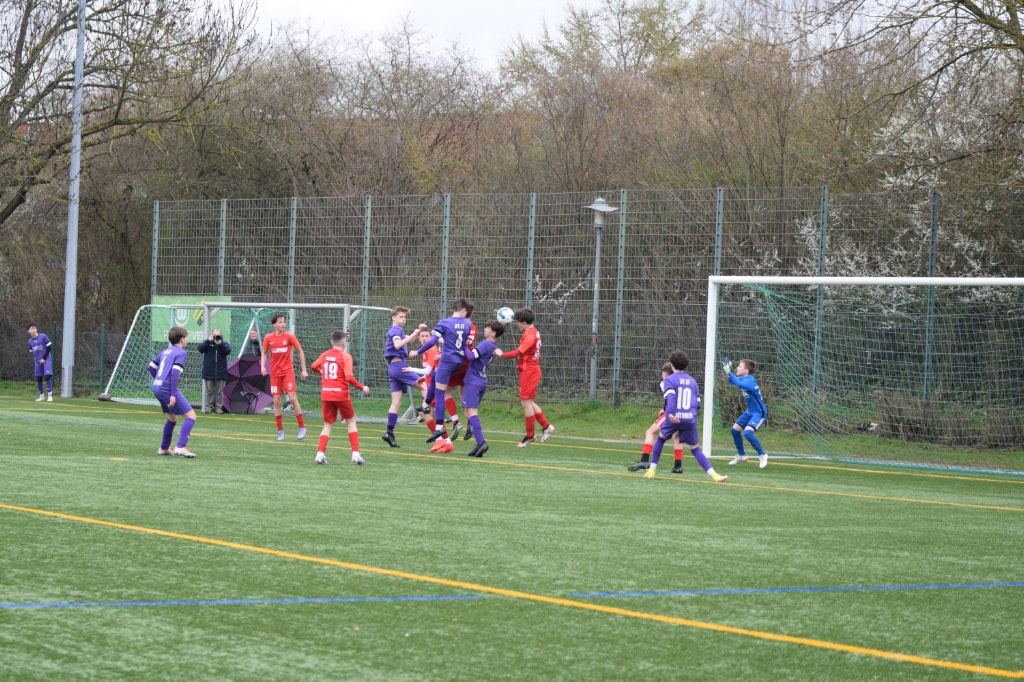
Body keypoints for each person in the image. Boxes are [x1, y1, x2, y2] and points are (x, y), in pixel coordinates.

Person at [643, 350, 727, 483]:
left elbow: (670, 398)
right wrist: (691, 416)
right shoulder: (693, 381)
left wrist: (670, 414)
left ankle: (652, 470)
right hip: (689, 418)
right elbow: (698, 404)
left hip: (674, 417)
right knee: (695, 449)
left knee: (661, 439)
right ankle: (715, 475)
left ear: (671, 364)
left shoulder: (669, 380)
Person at [415, 298, 473, 447]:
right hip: (459, 362)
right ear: (463, 310)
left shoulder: (445, 322)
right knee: (435, 375)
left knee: (440, 393)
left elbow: (432, 341)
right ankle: (426, 404)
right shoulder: (467, 324)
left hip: (447, 361)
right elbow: (462, 343)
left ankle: (439, 426)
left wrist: (417, 352)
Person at [310, 330, 370, 465]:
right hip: (341, 394)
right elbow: (348, 377)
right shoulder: (346, 357)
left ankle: (320, 454)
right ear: (344, 343)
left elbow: (313, 366)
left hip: (326, 394)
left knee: (327, 425)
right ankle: (355, 454)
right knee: (351, 422)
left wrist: (321, 371)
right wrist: (362, 387)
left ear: (331, 341)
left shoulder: (325, 355)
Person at [497, 308, 554, 447]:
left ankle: (530, 435)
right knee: (528, 401)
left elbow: (517, 352)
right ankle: (546, 426)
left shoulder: (530, 336)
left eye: (518, 322)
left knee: (525, 403)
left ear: (523, 322)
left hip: (530, 371)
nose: (517, 325)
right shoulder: (532, 331)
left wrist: (501, 354)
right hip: (528, 370)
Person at [147, 326, 198, 458]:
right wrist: (173, 394)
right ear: (182, 339)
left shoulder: (165, 351)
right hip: (167, 388)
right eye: (186, 337)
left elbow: (150, 367)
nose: (187, 340)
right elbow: (175, 373)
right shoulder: (181, 352)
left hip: (157, 386)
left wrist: (159, 379)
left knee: (172, 417)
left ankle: (164, 448)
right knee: (191, 416)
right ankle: (180, 446)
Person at [382, 306, 428, 447]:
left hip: (393, 368)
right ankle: (425, 409)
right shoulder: (396, 330)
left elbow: (410, 341)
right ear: (393, 317)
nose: (403, 319)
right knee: (424, 385)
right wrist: (414, 333)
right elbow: (397, 345)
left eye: (404, 317)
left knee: (396, 402)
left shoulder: (397, 331)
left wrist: (418, 331)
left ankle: (389, 432)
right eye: (401, 317)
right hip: (399, 367)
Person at [260, 312, 308, 441]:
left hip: (287, 372)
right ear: (274, 324)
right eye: (280, 322)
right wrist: (263, 366)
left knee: (292, 398)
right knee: (276, 401)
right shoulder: (268, 338)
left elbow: (300, 351)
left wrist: (304, 370)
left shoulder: (290, 336)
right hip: (275, 374)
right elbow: (264, 352)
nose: (283, 324)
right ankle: (280, 432)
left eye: (284, 322)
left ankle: (302, 428)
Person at [627, 363, 684, 472]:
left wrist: (665, 409)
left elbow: (670, 399)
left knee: (650, 432)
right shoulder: (681, 382)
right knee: (677, 436)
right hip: (682, 413)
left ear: (665, 374)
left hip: (671, 413)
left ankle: (644, 460)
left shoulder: (665, 383)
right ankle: (678, 466)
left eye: (662, 374)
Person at [461, 320, 504, 457]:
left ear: (493, 333)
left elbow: (471, 356)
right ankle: (478, 441)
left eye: (487, 328)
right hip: (480, 380)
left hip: (474, 381)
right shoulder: (493, 345)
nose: (484, 329)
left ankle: (481, 443)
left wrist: (462, 344)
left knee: (472, 412)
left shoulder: (486, 343)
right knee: (467, 411)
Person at [723, 357, 769, 468]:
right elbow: (733, 380)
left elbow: (738, 383)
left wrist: (729, 372)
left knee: (748, 433)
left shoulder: (750, 381)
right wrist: (729, 371)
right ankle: (741, 455)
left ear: (746, 370)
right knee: (734, 431)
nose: (737, 368)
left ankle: (762, 455)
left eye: (740, 366)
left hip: (759, 412)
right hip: (750, 411)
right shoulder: (744, 379)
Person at [197, 328, 231, 413]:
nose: (216, 337)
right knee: (209, 391)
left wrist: (220, 344)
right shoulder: (207, 343)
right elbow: (200, 348)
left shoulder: (224, 343)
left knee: (219, 391)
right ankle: (209, 407)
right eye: (214, 335)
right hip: (209, 371)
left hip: (220, 371)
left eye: (218, 335)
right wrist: (208, 341)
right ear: (211, 334)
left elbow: (227, 351)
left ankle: (218, 408)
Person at [26, 324, 53, 402]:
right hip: (38, 362)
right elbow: (32, 351)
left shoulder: (43, 336)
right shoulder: (30, 342)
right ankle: (41, 396)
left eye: (34, 328)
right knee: (39, 378)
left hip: (46, 360)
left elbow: (49, 348)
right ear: (28, 331)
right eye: (31, 329)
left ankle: (50, 396)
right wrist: (37, 360)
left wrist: (43, 358)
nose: (33, 330)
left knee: (47, 376)